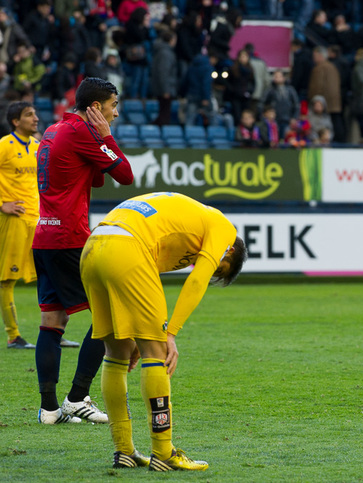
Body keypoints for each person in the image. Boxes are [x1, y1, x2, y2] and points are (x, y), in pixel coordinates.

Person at [80, 192, 247, 471]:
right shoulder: (224, 229)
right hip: (127, 247)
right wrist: (170, 333)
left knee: (117, 352)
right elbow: (196, 281)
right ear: (229, 251)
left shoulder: (188, 223)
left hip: (93, 247)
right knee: (156, 354)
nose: (210, 269)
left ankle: (125, 451)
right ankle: (164, 453)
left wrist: (140, 333)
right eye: (219, 269)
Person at [32, 77, 134, 425]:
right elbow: (124, 174)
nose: (115, 113)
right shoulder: (82, 132)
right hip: (69, 239)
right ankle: (77, 398)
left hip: (43, 237)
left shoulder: (53, 129)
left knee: (52, 321)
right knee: (108, 315)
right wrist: (105, 137)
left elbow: (92, 178)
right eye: (112, 106)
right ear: (95, 108)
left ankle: (49, 410)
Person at [1, 102, 39, 349]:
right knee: (6, 279)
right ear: (16, 121)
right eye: (29, 115)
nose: (35, 118)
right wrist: (1, 203)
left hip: (37, 219)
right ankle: (13, 335)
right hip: (13, 219)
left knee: (50, 275)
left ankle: (55, 331)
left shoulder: (38, 147)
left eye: (35, 113)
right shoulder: (4, 146)